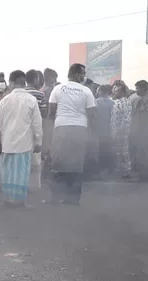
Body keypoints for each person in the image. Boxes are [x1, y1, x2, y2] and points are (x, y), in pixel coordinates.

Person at [48, 63, 97, 203]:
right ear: (75, 74)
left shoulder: (57, 89)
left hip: (61, 129)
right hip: (80, 129)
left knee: (58, 163)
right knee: (77, 164)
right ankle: (73, 199)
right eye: (82, 73)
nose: (84, 76)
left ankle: (56, 197)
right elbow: (93, 114)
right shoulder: (86, 91)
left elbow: (51, 113)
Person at [0, 70, 42, 207]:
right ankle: (19, 200)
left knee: (8, 171)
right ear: (24, 82)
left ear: (11, 82)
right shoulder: (31, 100)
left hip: (7, 143)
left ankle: (9, 198)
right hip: (24, 144)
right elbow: (37, 124)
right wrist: (38, 141)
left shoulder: (4, 100)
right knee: (22, 173)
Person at [25, 69, 47, 188]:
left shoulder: (20, 93)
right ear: (35, 79)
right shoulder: (40, 94)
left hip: (22, 131)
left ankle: (23, 183)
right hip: (36, 130)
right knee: (35, 160)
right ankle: (34, 186)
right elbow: (43, 113)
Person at [129, 80, 148, 182]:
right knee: (141, 153)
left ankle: (143, 176)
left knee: (142, 154)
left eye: (138, 88)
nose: (136, 90)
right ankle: (142, 175)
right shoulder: (147, 100)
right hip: (142, 130)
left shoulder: (143, 100)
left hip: (141, 130)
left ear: (144, 89)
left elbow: (135, 114)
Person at [110, 80, 132, 177]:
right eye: (113, 89)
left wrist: (120, 131)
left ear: (122, 91)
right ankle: (119, 169)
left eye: (117, 90)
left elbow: (126, 119)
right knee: (118, 152)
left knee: (123, 152)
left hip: (121, 131)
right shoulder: (116, 101)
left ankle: (126, 171)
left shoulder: (124, 102)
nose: (114, 91)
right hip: (115, 129)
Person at [95, 84, 114, 174]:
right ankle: (109, 169)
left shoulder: (96, 102)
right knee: (108, 150)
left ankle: (99, 169)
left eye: (98, 91)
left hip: (98, 130)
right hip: (109, 130)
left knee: (99, 150)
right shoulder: (112, 103)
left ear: (101, 92)